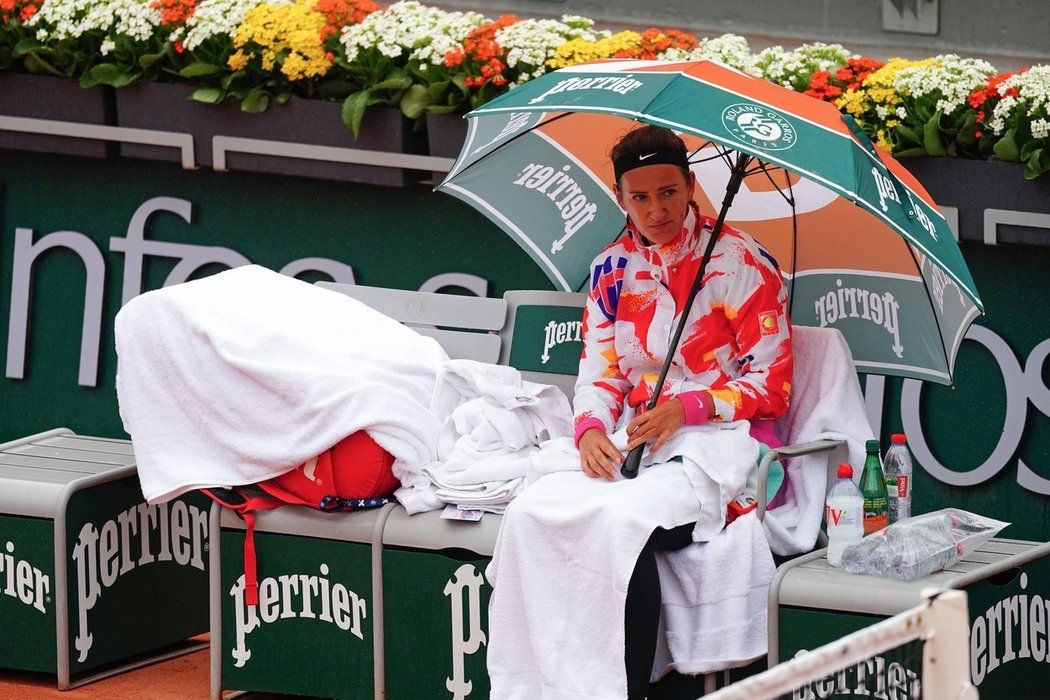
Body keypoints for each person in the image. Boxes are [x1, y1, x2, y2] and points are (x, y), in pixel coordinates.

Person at [572, 124, 793, 698]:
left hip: (732, 449)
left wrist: (688, 407)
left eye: (668, 192)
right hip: (640, 447)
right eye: (639, 197)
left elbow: (773, 385)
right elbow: (600, 374)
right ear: (619, 197)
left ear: (692, 186)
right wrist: (590, 428)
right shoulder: (610, 269)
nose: (656, 210)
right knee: (554, 516)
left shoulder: (742, 261)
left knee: (626, 528)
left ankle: (632, 692)